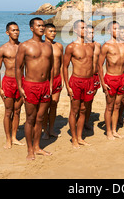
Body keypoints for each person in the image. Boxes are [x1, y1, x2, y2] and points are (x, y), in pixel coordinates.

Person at [15, 17, 54, 160]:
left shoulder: (48, 46)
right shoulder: (25, 46)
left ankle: (37, 147)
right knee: (30, 118)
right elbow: (18, 68)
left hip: (45, 85)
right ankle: (30, 149)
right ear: (32, 28)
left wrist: (49, 85)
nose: (42, 28)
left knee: (40, 118)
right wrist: (20, 87)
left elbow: (51, 68)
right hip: (31, 85)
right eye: (38, 26)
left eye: (43, 25)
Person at [63, 20, 95, 148]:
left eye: (86, 28)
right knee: (74, 110)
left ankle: (80, 137)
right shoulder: (71, 47)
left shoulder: (91, 46)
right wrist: (67, 85)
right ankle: (74, 138)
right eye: (82, 28)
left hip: (89, 81)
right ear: (75, 30)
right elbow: (64, 67)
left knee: (83, 109)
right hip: (76, 81)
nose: (85, 30)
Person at [0, 22, 25, 149]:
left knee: (17, 111)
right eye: (13, 30)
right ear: (7, 32)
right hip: (8, 82)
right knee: (8, 111)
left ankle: (14, 137)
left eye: (17, 30)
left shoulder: (23, 47)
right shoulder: (2, 49)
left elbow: (29, 65)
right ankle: (8, 139)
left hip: (21, 81)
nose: (16, 32)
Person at [98, 21, 124, 140]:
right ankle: (108, 131)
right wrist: (102, 82)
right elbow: (99, 65)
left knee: (117, 106)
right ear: (109, 31)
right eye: (115, 29)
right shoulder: (106, 46)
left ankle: (114, 130)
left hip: (121, 78)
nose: (118, 31)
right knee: (109, 106)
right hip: (110, 78)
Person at [43, 23, 64, 139]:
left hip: (57, 79)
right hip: (45, 81)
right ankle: (45, 130)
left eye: (54, 31)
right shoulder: (41, 46)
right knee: (44, 106)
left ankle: (51, 129)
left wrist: (62, 78)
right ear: (45, 32)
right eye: (50, 31)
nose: (53, 33)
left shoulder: (59, 46)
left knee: (54, 104)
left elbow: (61, 64)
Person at [83, 25, 101, 131]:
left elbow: (100, 62)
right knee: (80, 102)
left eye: (93, 33)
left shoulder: (98, 45)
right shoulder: (82, 46)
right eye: (89, 33)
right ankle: (79, 120)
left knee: (90, 101)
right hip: (84, 77)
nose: (91, 35)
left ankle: (86, 121)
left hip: (94, 76)